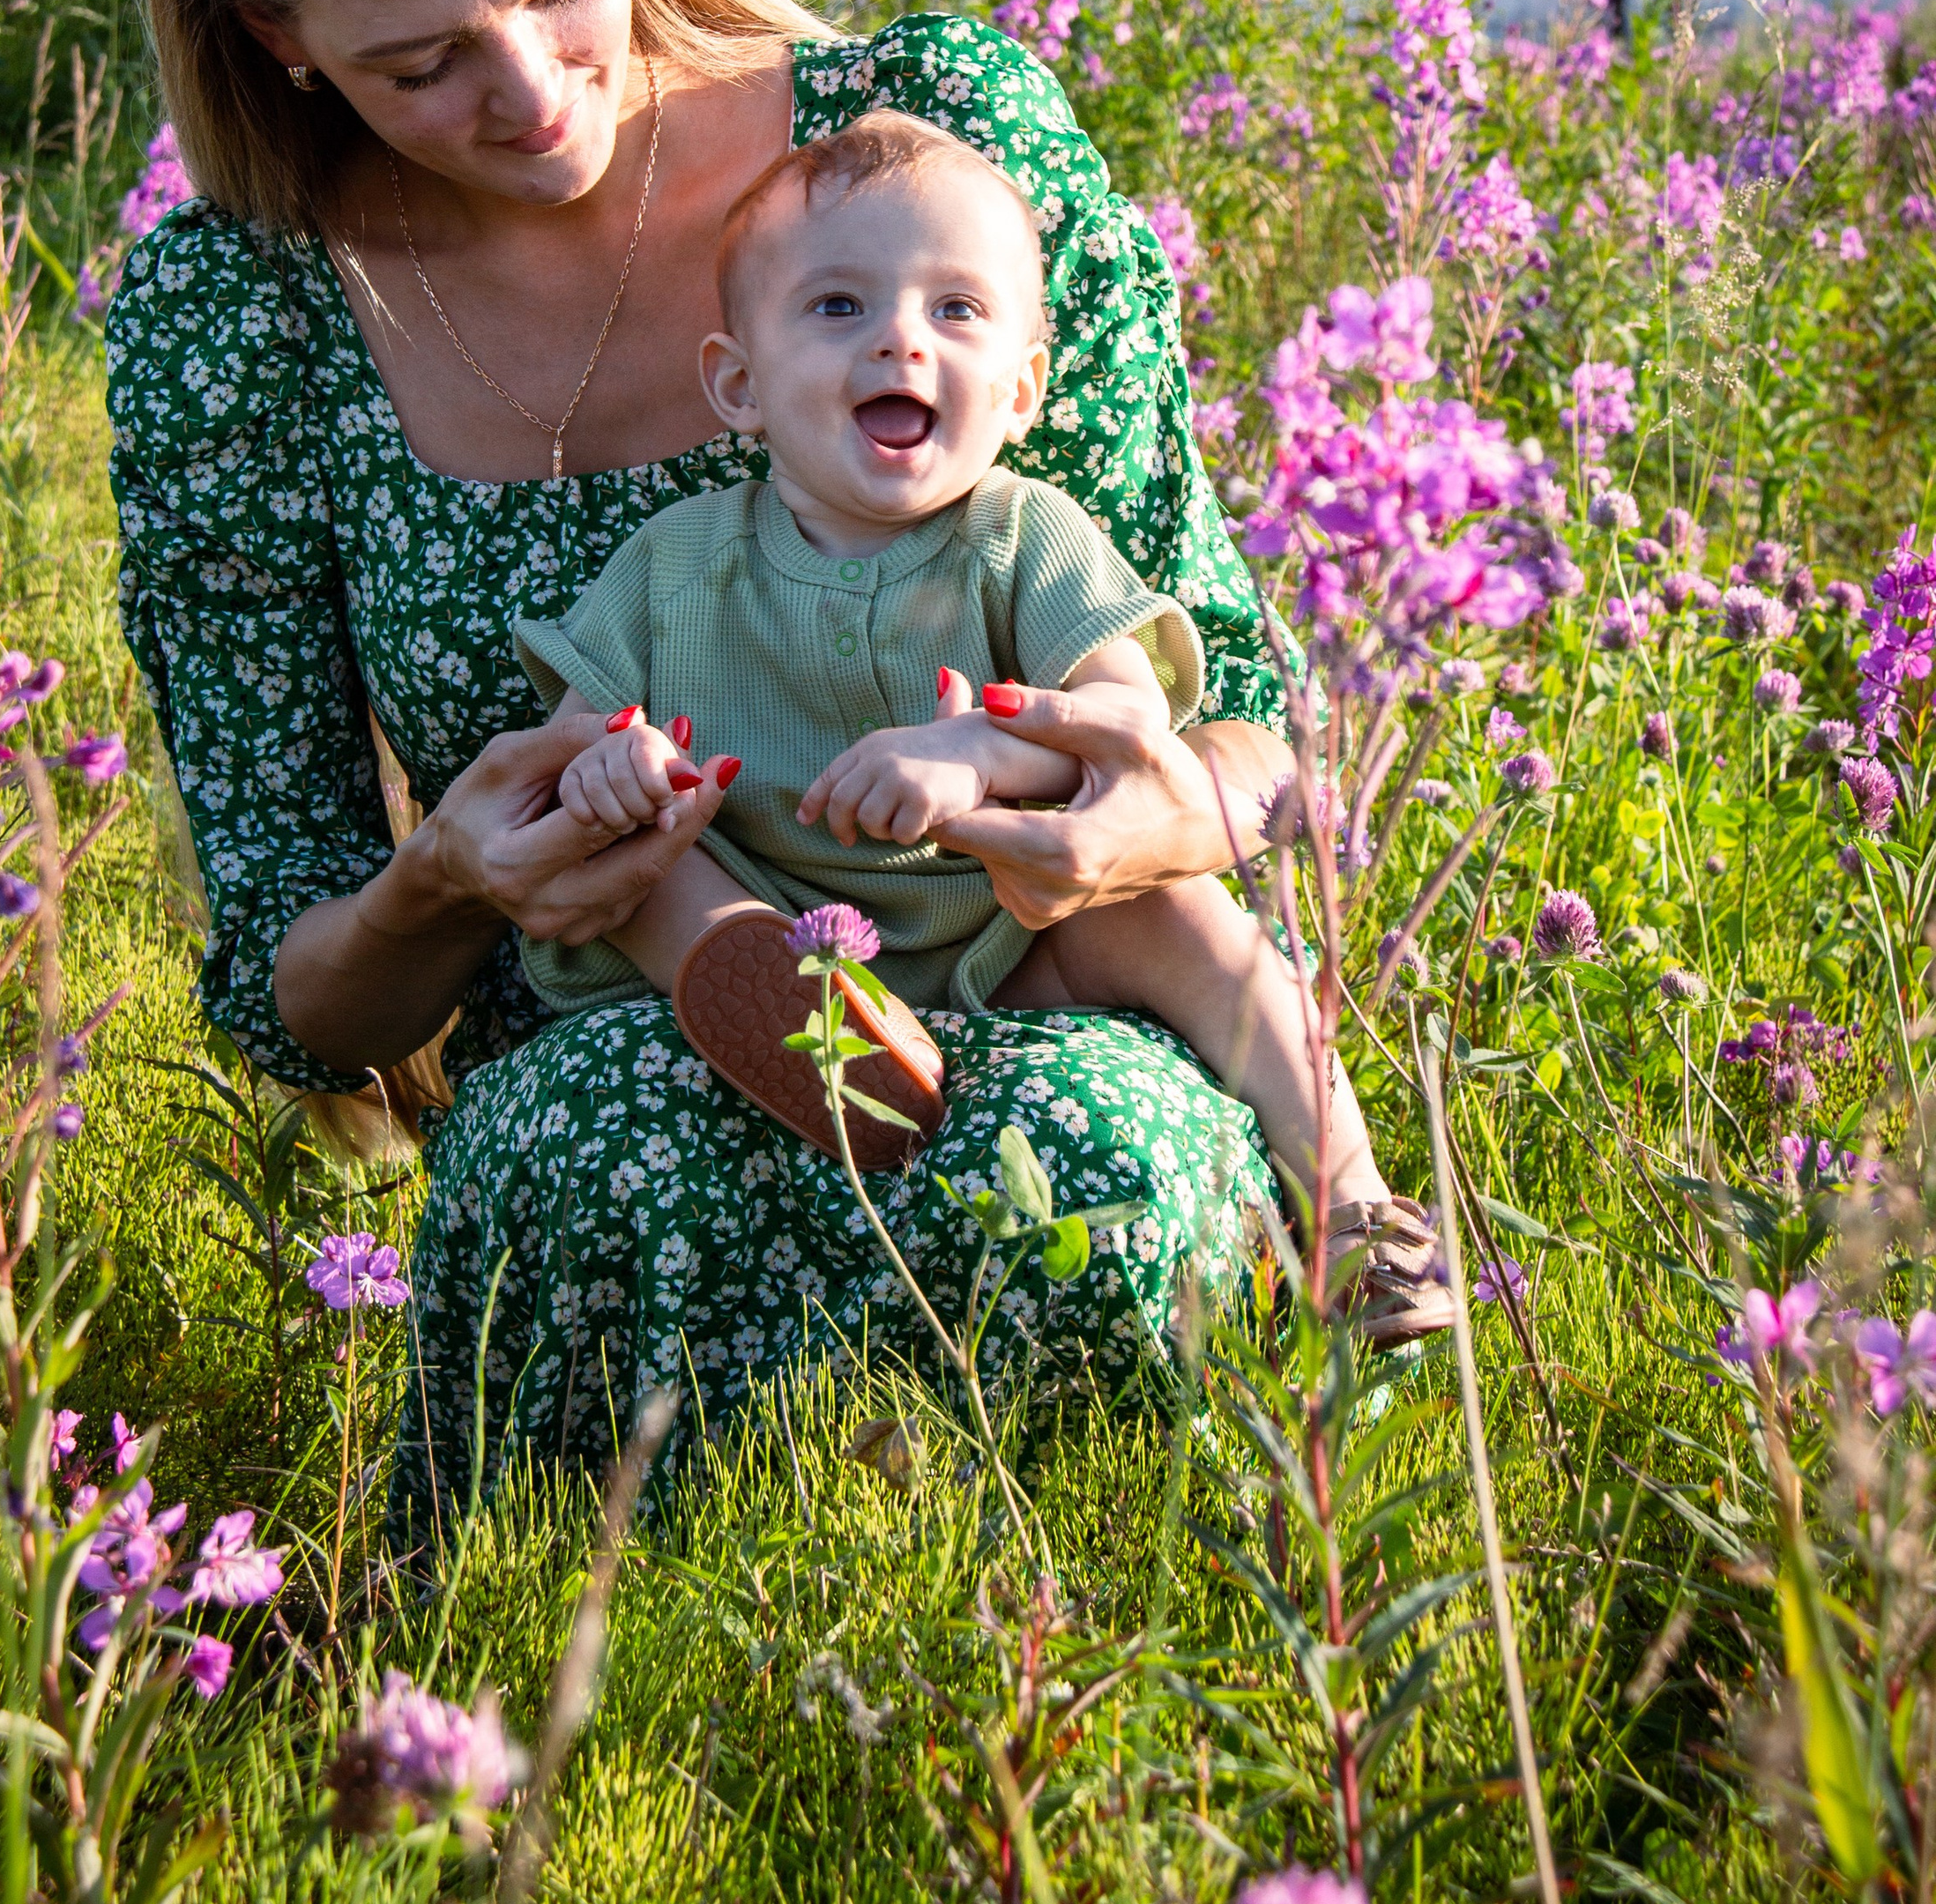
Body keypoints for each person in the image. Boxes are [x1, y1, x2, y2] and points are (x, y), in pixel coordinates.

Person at [104, 0, 1414, 1551]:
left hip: (1028, 949)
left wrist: (1145, 803)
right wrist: (450, 880)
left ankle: (1169, 1593)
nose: (533, 92)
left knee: (1095, 1152)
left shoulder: (921, 154)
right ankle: (577, 1691)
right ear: (280, 44)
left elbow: (1250, 723)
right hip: (616, 1011)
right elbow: (296, 998)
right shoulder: (242, 312)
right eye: (415, 63)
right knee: (590, 1151)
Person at [509, 108, 1435, 1345]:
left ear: (1020, 388)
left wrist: (978, 754)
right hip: (772, 916)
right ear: (739, 384)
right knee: (636, 879)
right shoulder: (674, 566)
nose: (900, 335)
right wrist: (618, 765)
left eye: (956, 310)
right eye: (838, 308)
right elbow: (571, 748)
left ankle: (1353, 1204)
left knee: (1193, 927)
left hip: (1004, 926)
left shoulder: (1022, 535)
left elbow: (1128, 715)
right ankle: (782, 1008)